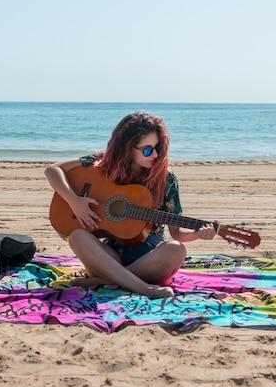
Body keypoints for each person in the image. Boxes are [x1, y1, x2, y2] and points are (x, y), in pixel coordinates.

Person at [44, 112, 216, 298]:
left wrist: (198, 234)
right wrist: (74, 201)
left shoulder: (166, 178)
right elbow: (53, 170)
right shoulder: (102, 163)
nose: (156, 154)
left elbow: (177, 233)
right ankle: (143, 288)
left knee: (176, 249)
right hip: (107, 257)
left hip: (147, 260)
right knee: (77, 236)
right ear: (127, 148)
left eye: (158, 147)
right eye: (147, 150)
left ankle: (105, 281)